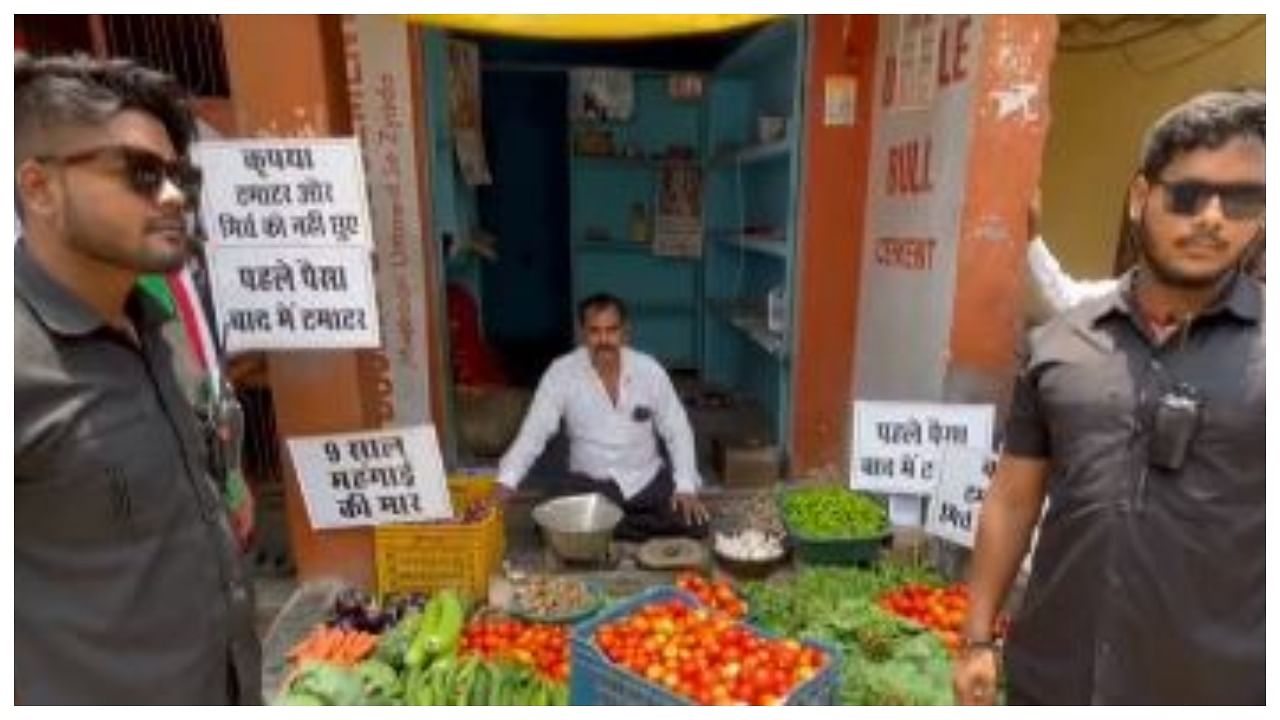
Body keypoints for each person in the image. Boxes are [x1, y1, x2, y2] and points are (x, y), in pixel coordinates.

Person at [954, 89, 1265, 705]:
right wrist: (976, 638)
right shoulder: (1061, 345)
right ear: (1140, 198)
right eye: (1187, 194)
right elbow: (1014, 499)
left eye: (1242, 200)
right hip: (1054, 676)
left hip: (1211, 688)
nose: (1212, 217)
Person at [14, 54, 261, 704]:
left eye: (181, 176)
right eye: (141, 174)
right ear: (39, 188)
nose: (174, 197)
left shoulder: (159, 328)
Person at [496, 293, 710, 540]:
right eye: (595, 331)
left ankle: (606, 531)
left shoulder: (649, 370)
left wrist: (685, 487)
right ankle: (626, 530)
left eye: (612, 330)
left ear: (625, 332)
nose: (604, 339)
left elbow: (677, 429)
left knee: (695, 523)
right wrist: (505, 483)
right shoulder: (561, 373)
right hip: (589, 487)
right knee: (545, 527)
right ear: (583, 334)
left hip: (645, 482)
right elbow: (534, 433)